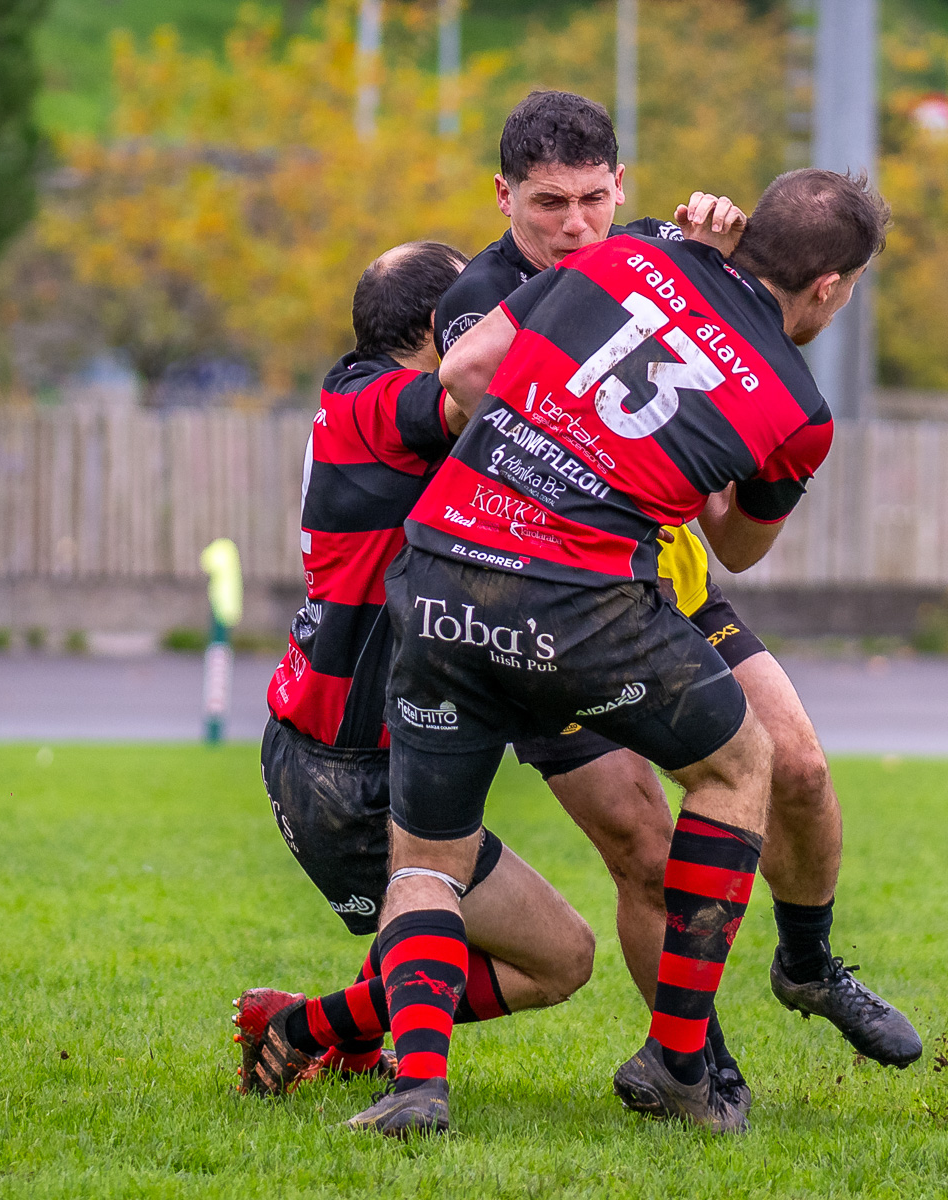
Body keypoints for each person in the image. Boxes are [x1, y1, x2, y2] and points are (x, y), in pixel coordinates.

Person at [348, 166, 895, 1137]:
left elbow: (462, 376)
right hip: (582, 601)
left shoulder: (627, 253)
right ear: (831, 288)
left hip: (441, 565)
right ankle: (680, 1058)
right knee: (741, 767)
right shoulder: (799, 409)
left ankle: (419, 1088)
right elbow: (735, 547)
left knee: (427, 856)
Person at [235, 241, 598, 1097]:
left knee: (431, 935)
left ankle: (336, 1034)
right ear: (442, 327)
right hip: (348, 769)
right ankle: (312, 1031)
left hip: (341, 751)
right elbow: (471, 395)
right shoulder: (385, 404)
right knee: (561, 958)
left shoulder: (353, 394)